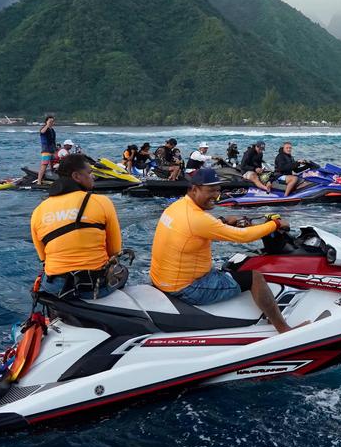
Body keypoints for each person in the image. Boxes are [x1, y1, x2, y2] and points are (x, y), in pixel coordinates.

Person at [148, 167, 295, 331]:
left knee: (232, 266)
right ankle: (283, 328)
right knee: (254, 278)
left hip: (161, 279)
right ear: (194, 189)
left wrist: (223, 220)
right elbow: (243, 236)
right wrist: (275, 224)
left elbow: (199, 227)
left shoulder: (177, 207)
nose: (216, 196)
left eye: (218, 190)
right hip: (186, 289)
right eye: (210, 190)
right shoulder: (198, 219)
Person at [30, 154, 126, 300]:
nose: (93, 177)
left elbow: (43, 257)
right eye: (89, 173)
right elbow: (115, 250)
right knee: (123, 272)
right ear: (76, 176)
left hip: (55, 287)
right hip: (92, 285)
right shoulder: (101, 202)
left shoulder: (38, 211)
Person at [36, 114, 57, 185]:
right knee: (44, 165)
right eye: (50, 121)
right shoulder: (44, 128)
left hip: (52, 150)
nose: (52, 122)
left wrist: (56, 149)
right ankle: (39, 181)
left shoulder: (52, 130)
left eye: (52, 121)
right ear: (46, 121)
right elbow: (42, 132)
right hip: (46, 150)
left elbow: (54, 141)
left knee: (53, 165)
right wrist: (47, 125)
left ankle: (51, 178)